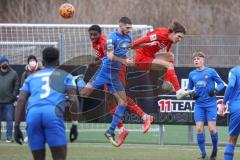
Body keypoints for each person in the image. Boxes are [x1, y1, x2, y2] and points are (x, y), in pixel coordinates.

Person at [85, 24, 153, 146]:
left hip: (117, 69)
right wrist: (95, 63)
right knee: (109, 103)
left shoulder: (106, 41)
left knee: (121, 99)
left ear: (100, 34)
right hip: (106, 71)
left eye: (95, 34)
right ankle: (122, 130)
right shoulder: (95, 43)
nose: (92, 36)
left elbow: (114, 54)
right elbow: (104, 58)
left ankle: (144, 116)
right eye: (91, 34)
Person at [14, 47, 79, 160]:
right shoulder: (65, 76)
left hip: (33, 115)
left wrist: (16, 126)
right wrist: (74, 124)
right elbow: (73, 100)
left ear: (42, 62)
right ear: (58, 62)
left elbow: (21, 100)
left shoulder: (31, 77)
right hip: (53, 114)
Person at [80, 17, 135, 147]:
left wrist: (128, 59)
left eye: (130, 28)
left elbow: (122, 55)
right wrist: (123, 61)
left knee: (123, 102)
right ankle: (78, 81)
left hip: (114, 75)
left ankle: (111, 131)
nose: (129, 30)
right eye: (127, 28)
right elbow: (109, 56)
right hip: (103, 73)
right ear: (120, 26)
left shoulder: (128, 39)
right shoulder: (111, 37)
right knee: (83, 93)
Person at [131, 21, 192, 99]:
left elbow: (167, 54)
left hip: (150, 57)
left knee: (170, 56)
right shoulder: (160, 35)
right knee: (168, 65)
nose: (179, 39)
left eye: (181, 38)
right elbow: (135, 43)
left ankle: (166, 82)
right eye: (179, 36)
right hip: (141, 59)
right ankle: (179, 90)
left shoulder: (170, 40)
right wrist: (130, 46)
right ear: (172, 32)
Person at [187, 52, 225, 160]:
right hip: (199, 105)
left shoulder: (211, 71)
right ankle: (203, 154)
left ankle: (215, 150)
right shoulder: (191, 74)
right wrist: (191, 94)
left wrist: (215, 90)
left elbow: (221, 84)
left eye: (198, 59)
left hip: (211, 105)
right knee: (199, 129)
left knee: (212, 129)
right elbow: (189, 89)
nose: (196, 60)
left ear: (203, 60)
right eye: (194, 59)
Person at [218, 50, 240, 160]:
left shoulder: (235, 71)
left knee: (232, 139)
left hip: (237, 108)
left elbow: (230, 86)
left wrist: (223, 104)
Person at [0, 56, 19, 143]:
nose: (5, 64)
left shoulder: (14, 73)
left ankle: (8, 138)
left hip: (9, 102)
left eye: (6, 63)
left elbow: (16, 87)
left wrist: (13, 97)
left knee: (9, 120)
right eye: (3, 63)